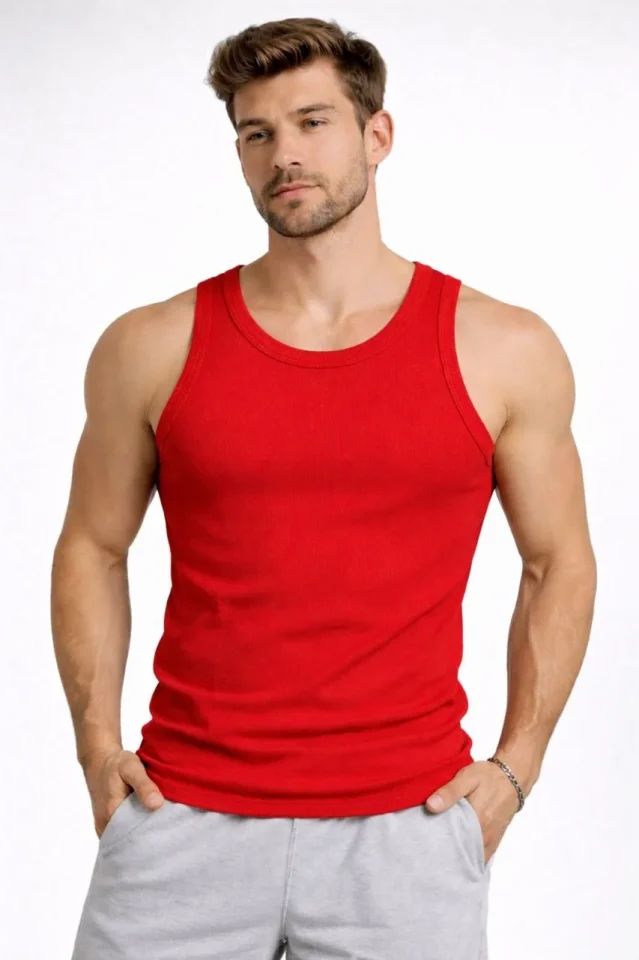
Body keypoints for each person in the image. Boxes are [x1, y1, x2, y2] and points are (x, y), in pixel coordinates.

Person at [52, 15, 597, 960]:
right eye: (257, 133)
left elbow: (559, 563)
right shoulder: (151, 345)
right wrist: (98, 749)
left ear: (376, 135)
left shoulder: (501, 347)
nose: (284, 156)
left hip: (408, 831)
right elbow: (92, 547)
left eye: (312, 123)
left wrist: (516, 768)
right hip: (181, 820)